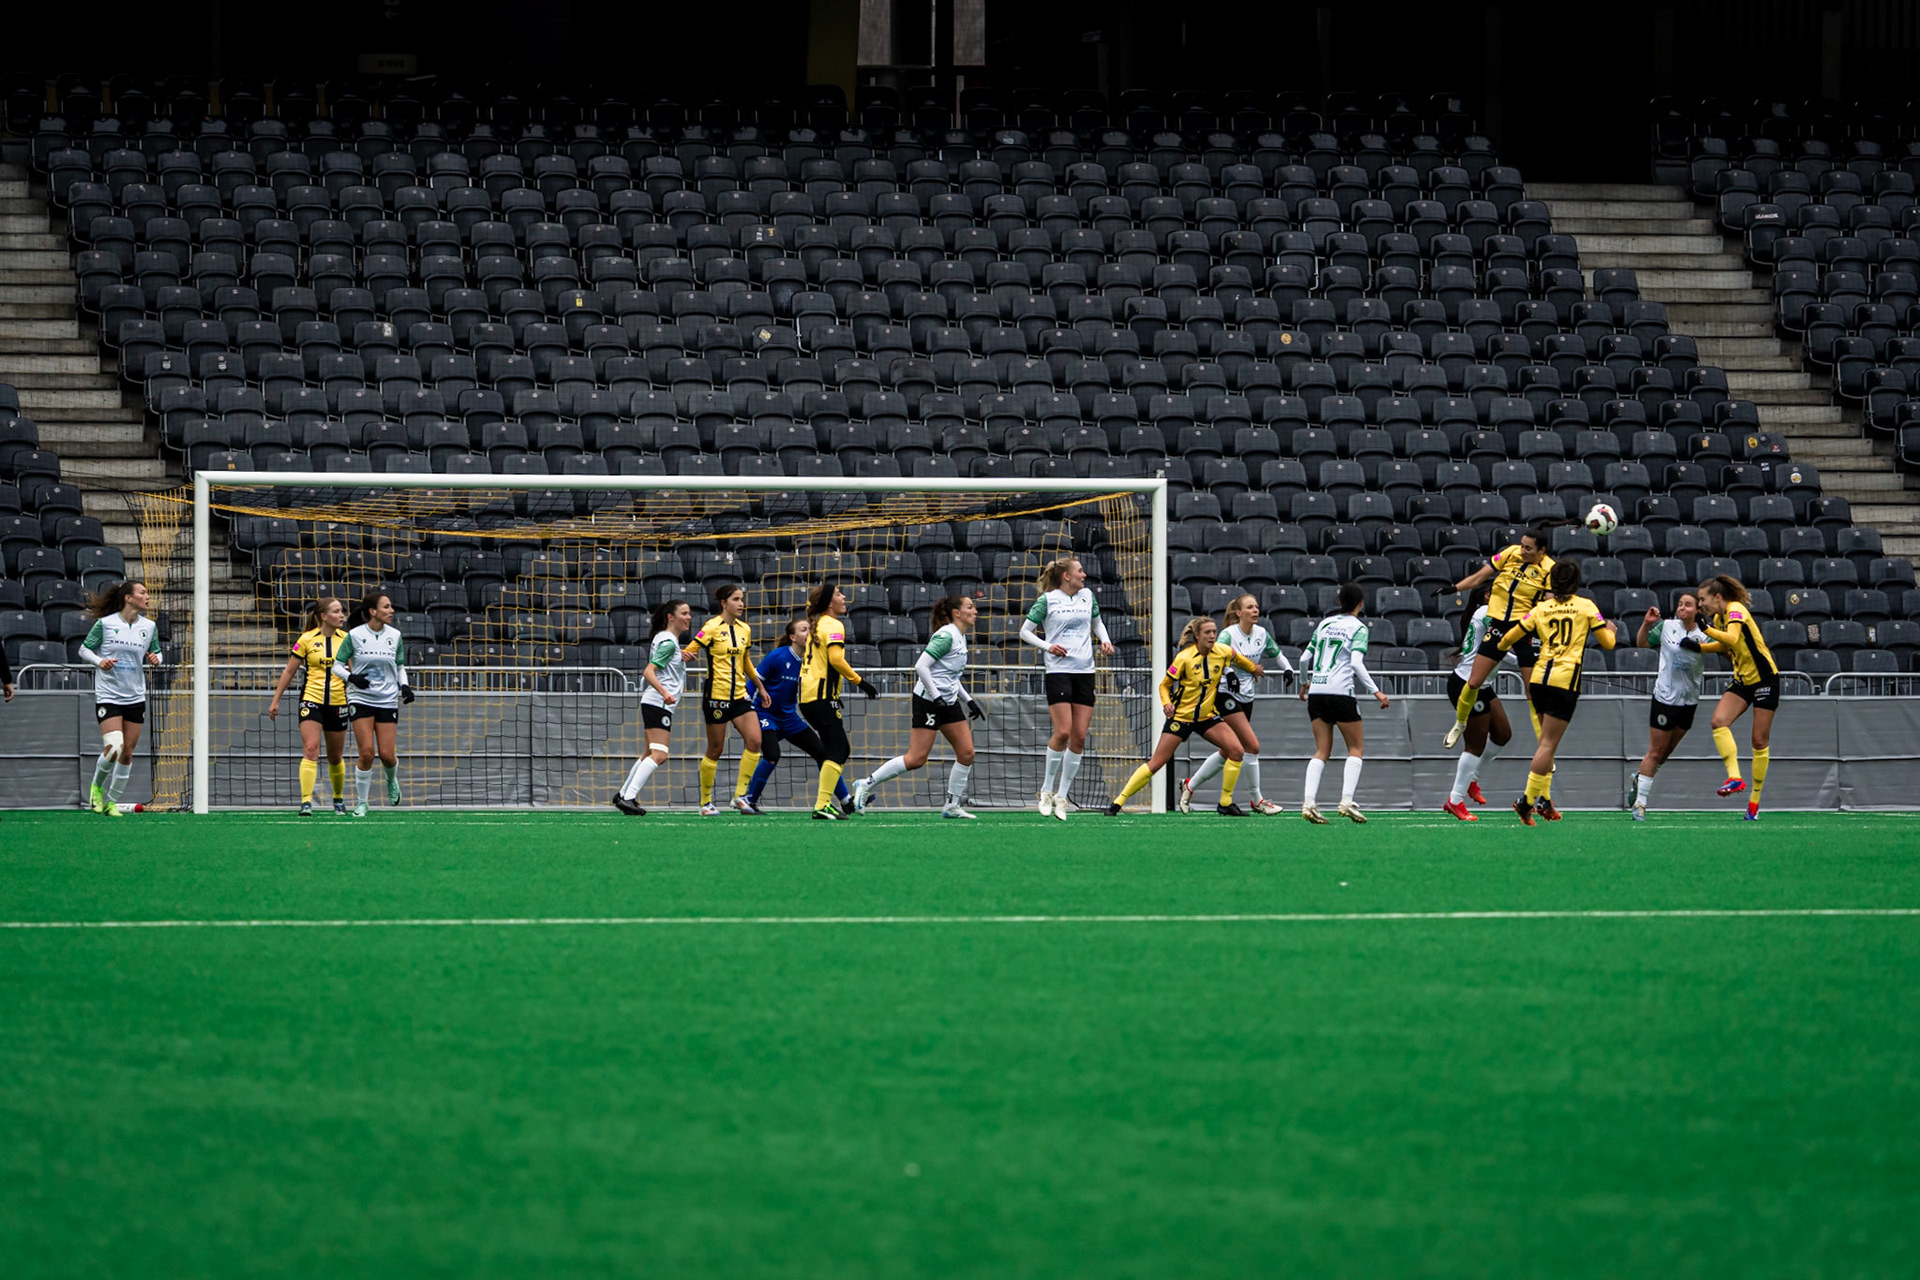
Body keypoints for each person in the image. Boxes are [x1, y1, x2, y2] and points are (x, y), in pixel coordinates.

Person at [1494, 560, 1616, 825]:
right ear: (1575, 583)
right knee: (1548, 745)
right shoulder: (1586, 606)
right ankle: (1527, 801)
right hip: (1565, 679)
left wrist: (1503, 646)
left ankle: (1541, 800)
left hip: (1538, 678)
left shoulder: (1540, 608)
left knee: (1545, 744)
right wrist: (1611, 631)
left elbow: (1507, 638)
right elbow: (1607, 643)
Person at [1105, 615, 1261, 816]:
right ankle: (1118, 802)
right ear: (1197, 635)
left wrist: (1254, 669)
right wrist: (1166, 703)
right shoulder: (1184, 658)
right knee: (1156, 763)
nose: (1212, 636)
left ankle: (1225, 802)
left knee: (1236, 750)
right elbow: (1164, 685)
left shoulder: (1222, 651)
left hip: (1206, 717)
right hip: (1181, 718)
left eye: (1214, 632)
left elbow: (1240, 660)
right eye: (1207, 632)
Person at [853, 595, 987, 819]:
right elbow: (921, 667)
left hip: (948, 700)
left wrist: (969, 700)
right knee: (916, 758)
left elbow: (950, 676)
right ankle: (865, 784)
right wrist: (936, 698)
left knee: (967, 753)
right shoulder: (946, 635)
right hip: (928, 700)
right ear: (957, 613)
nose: (975, 611)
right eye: (970, 607)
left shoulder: (961, 637)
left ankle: (951, 805)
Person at [1441, 525, 1556, 749]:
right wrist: (1455, 588)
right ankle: (1460, 723)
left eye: (1528, 549)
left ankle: (1545, 745)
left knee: (1532, 691)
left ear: (1541, 551)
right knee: (1474, 682)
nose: (1522, 551)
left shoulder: (1550, 570)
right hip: (1499, 626)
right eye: (1522, 546)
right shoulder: (1509, 553)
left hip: (1525, 629)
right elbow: (1478, 578)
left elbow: (1550, 604)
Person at [1179, 593, 1294, 815]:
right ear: (1239, 613)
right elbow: (1215, 655)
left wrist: (1287, 668)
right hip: (1225, 693)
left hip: (1247, 696)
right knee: (1252, 747)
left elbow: (1276, 653)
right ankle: (1256, 800)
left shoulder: (1261, 634)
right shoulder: (1228, 634)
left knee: (1228, 750)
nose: (1255, 611)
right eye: (1250, 607)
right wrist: (1229, 672)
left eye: (1257, 607)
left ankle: (1190, 785)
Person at [1020, 555, 1114, 817]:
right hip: (1059, 670)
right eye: (1080, 571)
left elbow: (1096, 622)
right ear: (1066, 575)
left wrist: (1104, 640)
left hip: (1085, 670)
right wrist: (1047, 645)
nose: (1084, 575)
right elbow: (1025, 631)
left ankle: (1062, 796)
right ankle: (1046, 790)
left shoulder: (1087, 596)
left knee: (1080, 736)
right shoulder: (1048, 600)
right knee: (1062, 732)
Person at [740, 618, 855, 814]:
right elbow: (754, 681)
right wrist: (746, 706)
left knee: (822, 753)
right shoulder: (777, 657)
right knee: (772, 755)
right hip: (764, 714)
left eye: (810, 629)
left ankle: (846, 801)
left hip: (789, 718)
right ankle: (748, 800)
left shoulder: (810, 660)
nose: (809, 633)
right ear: (793, 637)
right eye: (804, 630)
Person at [1299, 583, 1391, 824]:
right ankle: (1346, 800)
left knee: (1321, 751)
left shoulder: (1325, 623)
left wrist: (1303, 682)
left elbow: (1303, 658)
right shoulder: (1358, 628)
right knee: (1356, 748)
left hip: (1317, 691)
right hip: (1340, 692)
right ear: (1361, 603)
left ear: (1339, 602)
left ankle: (1309, 802)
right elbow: (1356, 664)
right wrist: (1377, 692)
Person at [1631, 591, 1725, 820]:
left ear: (1698, 611)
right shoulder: (1666, 626)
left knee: (1666, 753)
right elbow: (1641, 643)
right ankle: (1640, 804)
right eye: (1680, 604)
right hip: (1664, 698)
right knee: (1655, 751)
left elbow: (1725, 647)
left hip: (1689, 700)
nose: (1682, 608)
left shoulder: (1706, 632)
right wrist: (1646, 623)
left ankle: (1639, 777)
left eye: (1688, 605)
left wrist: (1703, 643)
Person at [1695, 574, 1781, 820]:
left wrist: (1705, 630)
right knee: (1718, 721)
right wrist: (1699, 646)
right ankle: (1735, 778)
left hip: (1765, 678)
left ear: (1718, 597)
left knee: (1758, 741)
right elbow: (1726, 646)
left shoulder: (1735, 610)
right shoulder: (1720, 617)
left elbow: (1731, 638)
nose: (1701, 605)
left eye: (1703, 599)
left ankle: (1754, 803)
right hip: (1743, 680)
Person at [76, 580, 162, 817]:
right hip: (109, 695)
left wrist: (157, 659)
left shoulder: (149, 627)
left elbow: (157, 651)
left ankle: (112, 802)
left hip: (135, 695)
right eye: (143, 592)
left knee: (127, 753)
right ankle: (96, 789)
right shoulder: (105, 624)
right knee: (114, 746)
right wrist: (99, 661)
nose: (147, 596)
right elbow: (84, 649)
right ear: (128, 598)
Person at [689, 582, 773, 816]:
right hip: (716, 696)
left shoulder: (745, 629)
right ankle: (706, 803)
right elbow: (692, 648)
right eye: (736, 599)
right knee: (715, 749)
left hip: (739, 697)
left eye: (742, 599)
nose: (741, 604)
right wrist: (687, 654)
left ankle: (740, 797)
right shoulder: (711, 627)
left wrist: (760, 687)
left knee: (755, 741)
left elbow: (746, 661)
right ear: (724, 603)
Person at [801, 580, 879, 821]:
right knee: (839, 749)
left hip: (811, 697)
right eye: (838, 594)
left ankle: (828, 803)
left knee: (834, 750)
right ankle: (822, 804)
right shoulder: (833, 624)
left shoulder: (819, 625)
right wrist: (860, 682)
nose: (844, 597)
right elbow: (836, 659)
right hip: (820, 698)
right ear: (829, 602)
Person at [332, 590, 414, 818]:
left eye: (391, 607)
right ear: (373, 611)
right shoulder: (355, 635)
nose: (391, 611)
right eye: (386, 607)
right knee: (366, 753)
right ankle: (362, 803)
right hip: (361, 698)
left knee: (387, 755)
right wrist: (351, 677)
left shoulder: (395, 635)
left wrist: (404, 686)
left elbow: (399, 666)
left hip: (387, 699)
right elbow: (336, 666)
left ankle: (391, 780)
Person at [267, 596, 352, 816]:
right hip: (311, 700)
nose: (341, 615)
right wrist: (275, 700)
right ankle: (306, 802)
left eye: (342, 611)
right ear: (324, 616)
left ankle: (338, 799)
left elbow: (354, 672)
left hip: (338, 702)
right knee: (311, 749)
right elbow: (289, 671)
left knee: (335, 756)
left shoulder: (347, 639)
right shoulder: (305, 639)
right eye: (336, 611)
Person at [1441, 584, 1514, 822]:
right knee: (1475, 746)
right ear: (1487, 596)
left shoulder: (1487, 614)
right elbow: (1503, 651)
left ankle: (1472, 780)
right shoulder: (1486, 613)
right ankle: (1455, 800)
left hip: (1482, 685)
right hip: (1467, 684)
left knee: (1503, 734)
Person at [613, 599, 691, 815]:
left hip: (653, 703)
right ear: (671, 617)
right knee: (659, 755)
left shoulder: (665, 640)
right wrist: (665, 693)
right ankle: (628, 798)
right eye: (684, 613)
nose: (689, 617)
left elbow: (666, 665)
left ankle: (622, 794)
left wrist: (681, 657)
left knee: (648, 753)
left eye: (689, 613)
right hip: (657, 703)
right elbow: (648, 671)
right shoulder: (668, 642)